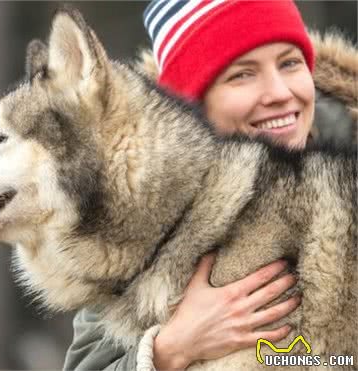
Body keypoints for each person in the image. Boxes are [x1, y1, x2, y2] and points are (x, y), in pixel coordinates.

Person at [63, 1, 357, 370]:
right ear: (193, 104)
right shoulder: (140, 224)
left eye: (289, 63)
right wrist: (171, 350)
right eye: (242, 75)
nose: (280, 92)